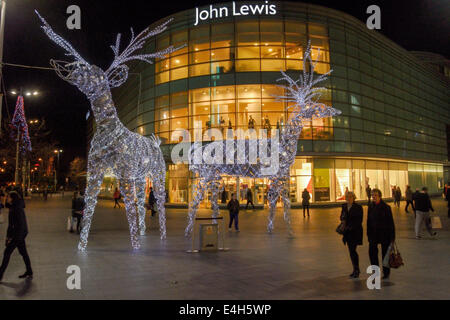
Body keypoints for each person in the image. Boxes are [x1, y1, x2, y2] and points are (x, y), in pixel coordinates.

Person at [0, 191, 33, 281]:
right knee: (23, 253)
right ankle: (29, 271)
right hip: (19, 235)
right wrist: (8, 237)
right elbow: (11, 225)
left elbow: (20, 225)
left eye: (8, 197)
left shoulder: (17, 209)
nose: (7, 198)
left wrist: (13, 238)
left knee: (7, 253)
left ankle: (0, 274)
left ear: (12, 199)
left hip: (18, 235)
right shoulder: (14, 207)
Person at [367, 188, 395, 280]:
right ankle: (375, 272)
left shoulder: (386, 207)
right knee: (372, 253)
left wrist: (392, 237)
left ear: (379, 196)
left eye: (375, 195)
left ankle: (386, 272)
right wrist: (368, 233)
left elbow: (391, 223)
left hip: (384, 234)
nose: (373, 197)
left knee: (385, 254)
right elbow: (368, 221)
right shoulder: (370, 206)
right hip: (373, 234)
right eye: (372, 195)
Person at [340, 191, 363, 278]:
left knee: (353, 250)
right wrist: (343, 221)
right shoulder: (344, 206)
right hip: (347, 233)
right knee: (351, 251)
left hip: (355, 232)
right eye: (347, 197)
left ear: (353, 197)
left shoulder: (358, 207)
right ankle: (355, 269)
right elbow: (341, 216)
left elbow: (359, 220)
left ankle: (356, 269)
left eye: (350, 197)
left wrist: (350, 226)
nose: (348, 198)